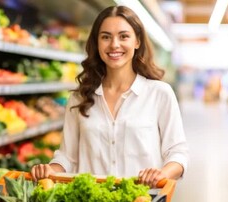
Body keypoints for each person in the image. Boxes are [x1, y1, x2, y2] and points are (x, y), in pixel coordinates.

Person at [31, 5, 188, 188]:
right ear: (97, 44)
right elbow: (67, 156)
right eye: (106, 37)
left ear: (137, 41)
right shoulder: (80, 98)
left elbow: (177, 152)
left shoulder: (159, 94)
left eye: (124, 36)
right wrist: (51, 170)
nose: (114, 44)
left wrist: (161, 173)